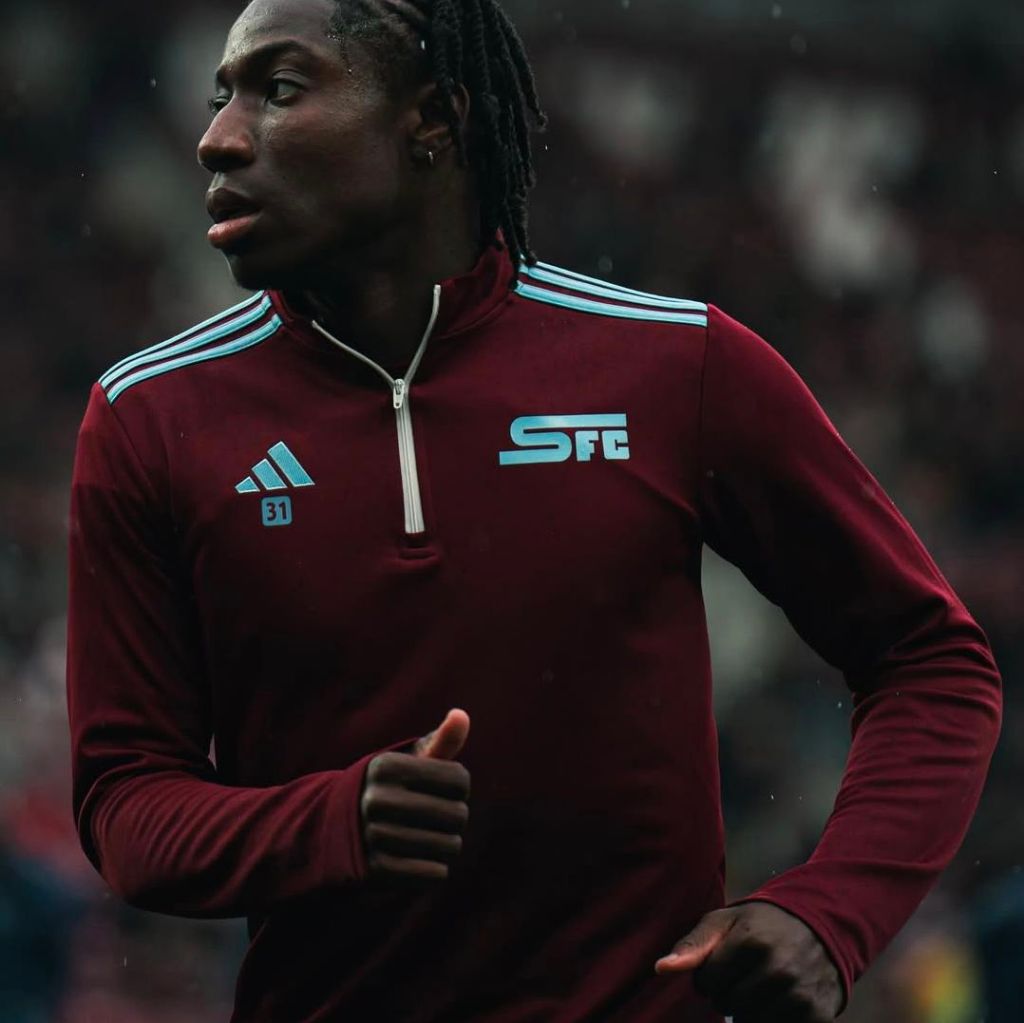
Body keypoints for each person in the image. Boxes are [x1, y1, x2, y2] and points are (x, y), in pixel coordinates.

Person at [65, 0, 1002, 1020]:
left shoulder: (676, 366)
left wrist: (829, 913)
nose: (218, 136)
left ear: (432, 117)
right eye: (221, 96)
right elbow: (124, 805)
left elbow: (929, 660)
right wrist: (326, 826)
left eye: (278, 90)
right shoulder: (149, 417)